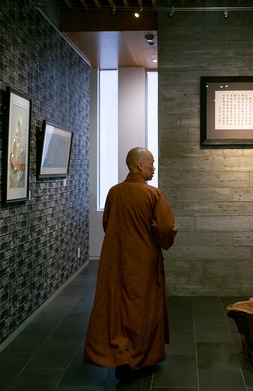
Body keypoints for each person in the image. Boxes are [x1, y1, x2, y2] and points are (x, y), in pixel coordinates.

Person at [83, 147, 178, 380]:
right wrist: (161, 239)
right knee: (143, 307)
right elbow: (165, 228)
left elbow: (108, 224)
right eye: (152, 164)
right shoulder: (153, 194)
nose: (154, 168)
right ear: (139, 165)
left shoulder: (114, 192)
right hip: (144, 260)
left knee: (118, 306)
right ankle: (142, 357)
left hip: (115, 259)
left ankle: (121, 357)